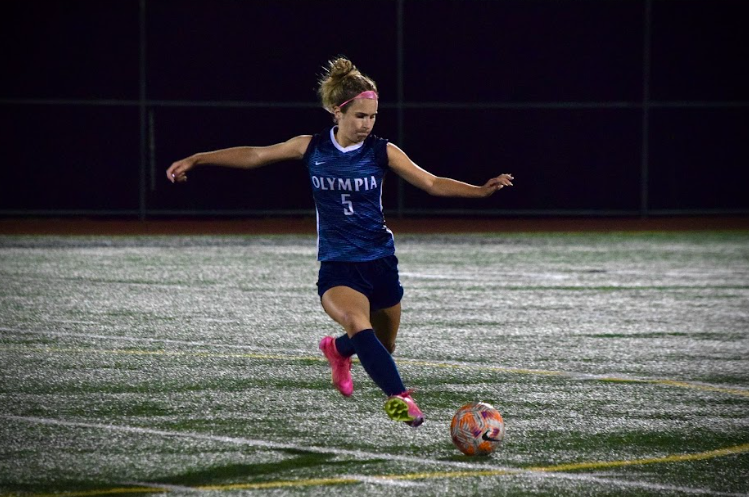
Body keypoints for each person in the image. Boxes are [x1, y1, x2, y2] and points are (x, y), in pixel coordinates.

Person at [166, 57, 514, 428]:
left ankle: (337, 350)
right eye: (360, 116)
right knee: (355, 321)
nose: (367, 124)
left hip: (380, 262)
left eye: (373, 117)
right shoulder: (311, 148)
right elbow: (256, 154)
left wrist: (479, 191)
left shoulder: (382, 151)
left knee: (383, 346)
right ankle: (400, 400)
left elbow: (430, 182)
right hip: (338, 266)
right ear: (338, 111)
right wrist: (199, 158)